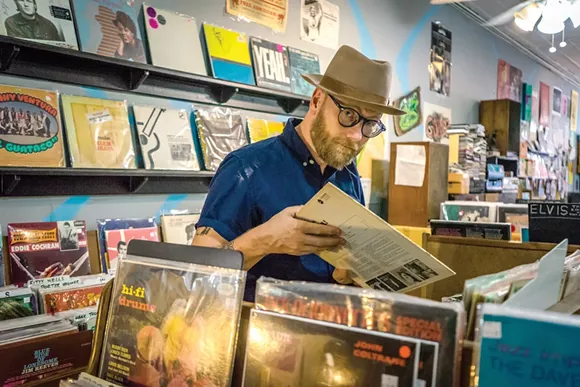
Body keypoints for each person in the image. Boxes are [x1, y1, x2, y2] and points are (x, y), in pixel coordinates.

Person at [193, 45, 405, 300]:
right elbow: (198, 273)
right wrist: (266, 239)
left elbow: (341, 274)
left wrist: (350, 274)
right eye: (348, 114)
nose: (356, 136)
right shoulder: (246, 167)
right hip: (260, 331)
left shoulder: (348, 174)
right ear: (317, 100)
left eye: (371, 123)